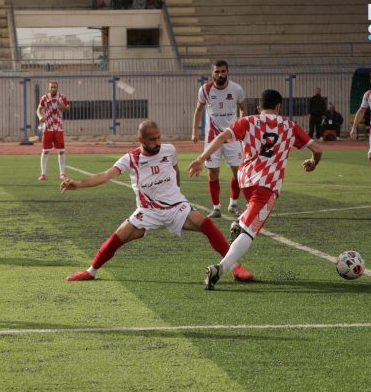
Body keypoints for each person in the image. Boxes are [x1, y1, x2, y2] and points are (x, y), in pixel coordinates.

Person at [61, 120, 254, 284]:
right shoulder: (131, 159)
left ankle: (235, 267)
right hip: (147, 211)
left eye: (159, 137)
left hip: (176, 207)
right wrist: (78, 184)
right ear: (141, 140)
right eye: (152, 139)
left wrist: (177, 194)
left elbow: (175, 170)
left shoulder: (169, 150)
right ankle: (91, 271)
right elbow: (105, 175)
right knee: (117, 238)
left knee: (207, 225)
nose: (157, 142)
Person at [189, 89, 322, 290]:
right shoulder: (289, 126)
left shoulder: (248, 121)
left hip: (246, 181)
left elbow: (222, 137)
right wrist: (313, 161)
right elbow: (318, 150)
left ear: (259, 108)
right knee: (250, 233)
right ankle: (220, 269)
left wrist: (201, 158)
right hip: (267, 185)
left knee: (250, 218)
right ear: (279, 107)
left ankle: (239, 221)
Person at [191, 59, 246, 218]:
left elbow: (243, 109)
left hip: (232, 137)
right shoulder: (205, 90)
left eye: (223, 71)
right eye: (217, 72)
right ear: (212, 73)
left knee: (238, 173)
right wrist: (194, 131)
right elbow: (198, 109)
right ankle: (216, 208)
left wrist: (240, 128)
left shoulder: (236, 89)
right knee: (213, 172)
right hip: (212, 138)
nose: (220, 74)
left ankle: (233, 204)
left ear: (227, 72)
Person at [36, 80, 69, 181]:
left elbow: (68, 108)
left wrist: (63, 106)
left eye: (55, 87)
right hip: (48, 127)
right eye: (52, 87)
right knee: (45, 151)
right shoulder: (44, 98)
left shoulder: (62, 97)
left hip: (58, 127)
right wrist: (40, 117)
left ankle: (62, 174)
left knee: (61, 151)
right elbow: (38, 110)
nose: (53, 89)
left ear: (57, 88)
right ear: (49, 88)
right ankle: (43, 174)